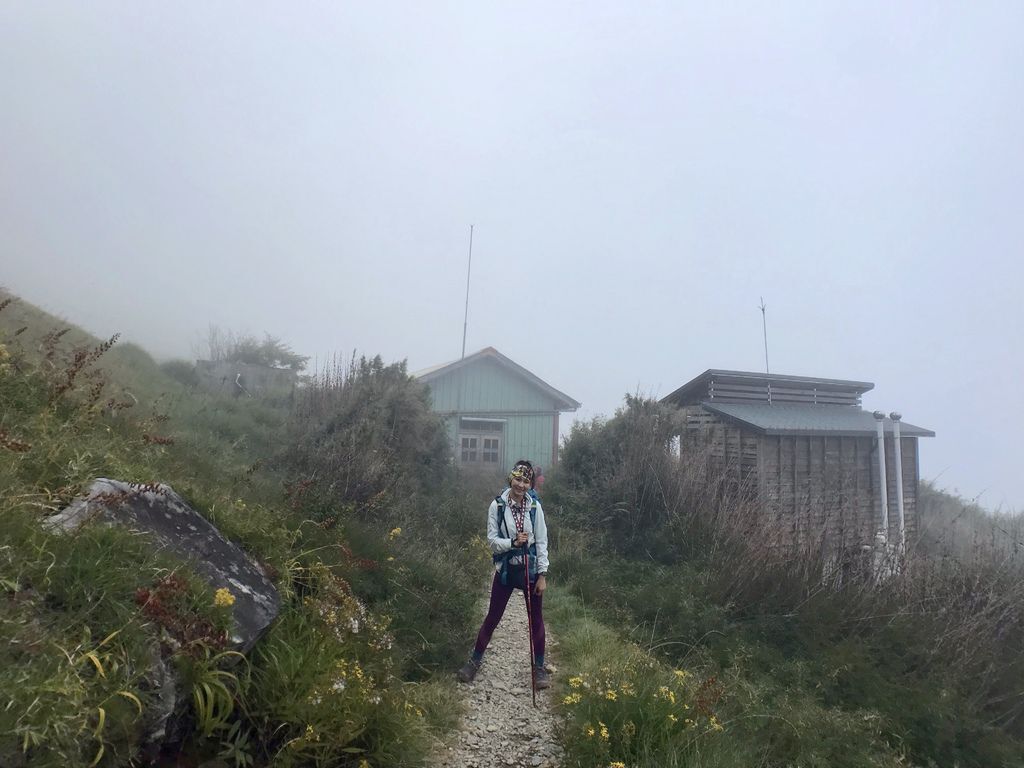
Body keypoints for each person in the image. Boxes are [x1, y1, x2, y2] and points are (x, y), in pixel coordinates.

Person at [457, 460, 550, 689]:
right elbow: (492, 542)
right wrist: (512, 542)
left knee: (536, 620)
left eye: (526, 481)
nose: (521, 485)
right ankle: (474, 662)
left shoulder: (535, 508)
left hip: (529, 568)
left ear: (530, 484)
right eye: (518, 479)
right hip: (506, 569)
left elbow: (542, 542)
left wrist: (542, 574)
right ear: (511, 478)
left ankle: (539, 669)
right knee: (493, 616)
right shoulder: (497, 506)